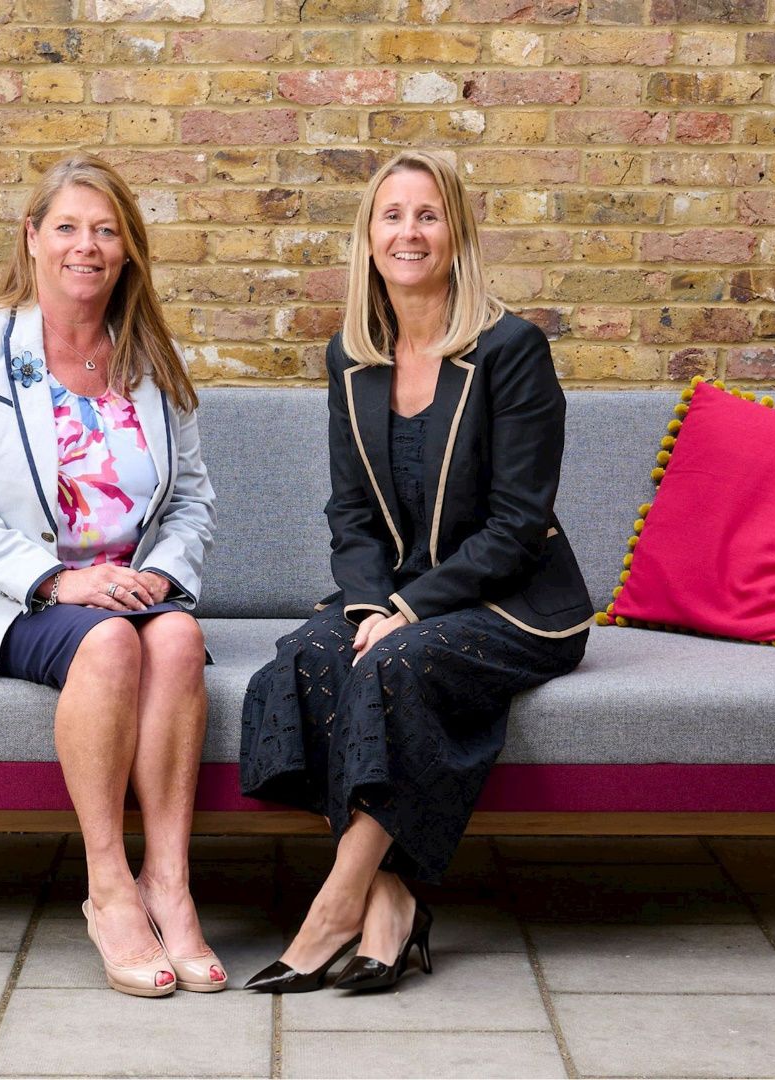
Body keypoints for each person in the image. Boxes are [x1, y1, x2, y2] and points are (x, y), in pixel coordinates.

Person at [240, 150, 593, 993]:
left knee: (393, 663)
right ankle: (392, 901)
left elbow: (518, 524)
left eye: (427, 214)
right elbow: (351, 512)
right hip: (396, 595)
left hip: (513, 604)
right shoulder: (352, 357)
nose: (409, 232)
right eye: (392, 215)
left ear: (456, 232)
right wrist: (371, 604)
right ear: (367, 238)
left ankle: (334, 907)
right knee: (307, 656)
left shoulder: (511, 350)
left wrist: (406, 608)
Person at [0, 155, 224, 997]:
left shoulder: (152, 355)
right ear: (33, 238)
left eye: (106, 230)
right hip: (5, 593)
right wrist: (55, 579)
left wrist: (159, 574)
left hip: (127, 588)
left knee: (181, 636)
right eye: (68, 227)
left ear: (127, 250)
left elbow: (191, 499)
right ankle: (110, 886)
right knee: (112, 645)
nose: (87, 246)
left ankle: (171, 882)